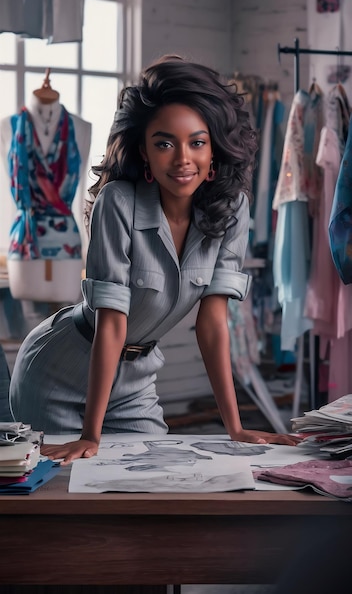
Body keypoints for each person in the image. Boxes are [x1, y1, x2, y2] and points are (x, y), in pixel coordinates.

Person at [9, 55, 300, 464]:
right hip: (59, 372)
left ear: (214, 149)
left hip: (135, 382)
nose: (183, 159)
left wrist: (234, 428)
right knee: (60, 494)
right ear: (144, 152)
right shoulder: (118, 202)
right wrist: (90, 435)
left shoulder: (232, 208)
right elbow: (111, 321)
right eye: (164, 143)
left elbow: (212, 322)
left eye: (197, 142)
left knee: (154, 487)